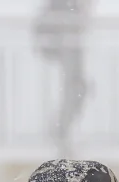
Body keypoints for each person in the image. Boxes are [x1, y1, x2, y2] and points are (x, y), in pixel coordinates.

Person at [33, 0, 90, 154]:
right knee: (76, 87)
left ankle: (61, 131)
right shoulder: (63, 10)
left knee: (77, 87)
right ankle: (60, 132)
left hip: (68, 39)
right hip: (66, 40)